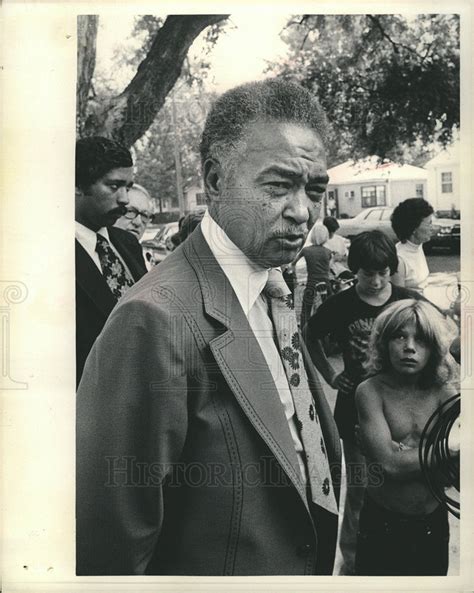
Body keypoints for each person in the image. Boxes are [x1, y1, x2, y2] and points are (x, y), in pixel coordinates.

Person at [76, 79, 342, 576]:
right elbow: (109, 551)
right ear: (216, 181)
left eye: (316, 189)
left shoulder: (271, 286)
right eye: (278, 185)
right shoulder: (153, 319)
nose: (303, 210)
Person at [303, 230, 426, 575]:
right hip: (355, 411)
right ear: (353, 270)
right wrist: (329, 375)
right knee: (360, 488)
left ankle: (395, 558)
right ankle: (354, 567)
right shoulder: (341, 304)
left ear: (392, 269)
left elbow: (439, 336)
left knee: (402, 485)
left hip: (405, 411)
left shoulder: (407, 301)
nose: (375, 281)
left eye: (382, 272)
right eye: (367, 273)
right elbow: (309, 335)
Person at [355, 299, 458, 575]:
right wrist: (448, 447)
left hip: (431, 525)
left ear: (434, 347)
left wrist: (407, 453)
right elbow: (389, 466)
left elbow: (455, 475)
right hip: (381, 522)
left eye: (421, 339)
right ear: (384, 343)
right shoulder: (370, 391)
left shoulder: (446, 395)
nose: (409, 347)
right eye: (399, 336)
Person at [75, 136, 147, 386]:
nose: (125, 199)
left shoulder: (128, 244)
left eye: (128, 186)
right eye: (114, 186)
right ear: (77, 185)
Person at [391, 198, 434, 293]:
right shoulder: (399, 259)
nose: (432, 228)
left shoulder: (418, 246)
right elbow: (399, 301)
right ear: (414, 228)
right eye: (429, 223)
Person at [294, 224, 332, 328]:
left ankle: (303, 330)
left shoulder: (306, 250)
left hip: (311, 283)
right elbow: (329, 268)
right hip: (326, 283)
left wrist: (294, 276)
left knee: (306, 310)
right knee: (330, 308)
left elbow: (293, 263)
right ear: (325, 236)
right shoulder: (328, 252)